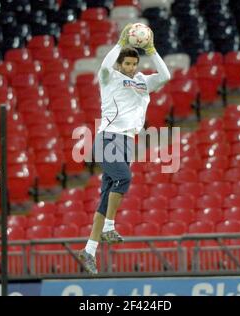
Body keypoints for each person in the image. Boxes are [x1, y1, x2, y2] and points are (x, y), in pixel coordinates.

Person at [78, 24, 171, 274]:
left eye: (133, 64)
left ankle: (88, 250)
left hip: (128, 142)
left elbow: (165, 76)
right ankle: (109, 226)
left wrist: (151, 50)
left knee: (106, 196)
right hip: (108, 138)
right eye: (126, 64)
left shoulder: (142, 82)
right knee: (124, 178)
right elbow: (104, 67)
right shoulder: (110, 79)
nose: (130, 68)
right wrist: (120, 43)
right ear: (120, 64)